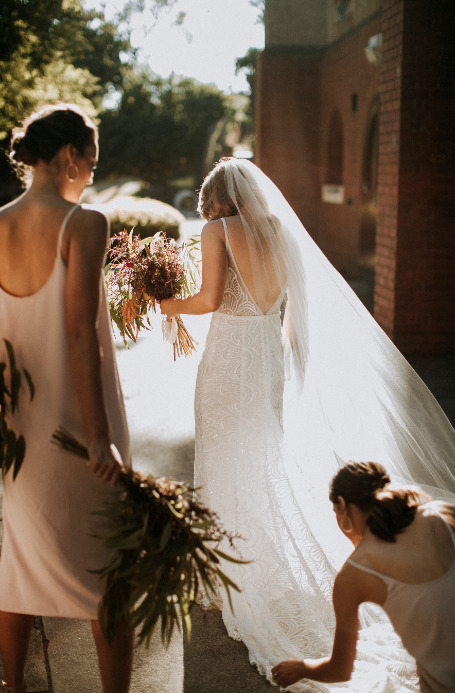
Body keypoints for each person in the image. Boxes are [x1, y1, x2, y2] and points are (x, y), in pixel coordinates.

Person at [160, 158, 455, 692]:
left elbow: (206, 299)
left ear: (216, 200)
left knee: (224, 457)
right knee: (259, 457)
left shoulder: (216, 230)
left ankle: (224, 568)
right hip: (266, 358)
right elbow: (293, 321)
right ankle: (249, 561)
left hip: (229, 359)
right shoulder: (281, 234)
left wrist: (165, 304)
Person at [0, 104, 133, 693]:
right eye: (92, 164)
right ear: (71, 157)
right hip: (78, 427)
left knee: (16, 565)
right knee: (112, 574)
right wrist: (99, 437)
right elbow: (81, 334)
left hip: (16, 427)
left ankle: (13, 685)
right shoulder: (84, 223)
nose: (92, 177)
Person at [272, 461, 455, 693]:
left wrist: (302, 668)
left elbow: (340, 670)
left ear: (341, 504)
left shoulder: (352, 575)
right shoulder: (441, 513)